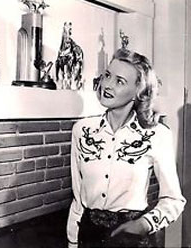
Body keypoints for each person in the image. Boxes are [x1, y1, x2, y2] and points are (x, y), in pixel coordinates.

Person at [67, 48, 186, 248]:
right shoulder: (82, 130)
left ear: (137, 93)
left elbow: (174, 200)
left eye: (119, 81)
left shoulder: (157, 135)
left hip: (130, 237)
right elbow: (78, 198)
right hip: (89, 236)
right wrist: (72, 241)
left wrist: (144, 224)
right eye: (107, 75)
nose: (107, 85)